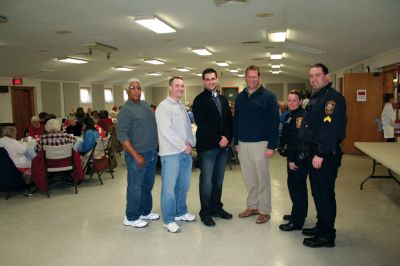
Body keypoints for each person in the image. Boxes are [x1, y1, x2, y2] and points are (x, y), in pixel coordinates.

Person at [299, 63, 346, 248]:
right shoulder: (317, 97)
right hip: (315, 153)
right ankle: (321, 227)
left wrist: (320, 153)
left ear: (327, 76)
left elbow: (329, 130)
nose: (314, 79)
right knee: (318, 194)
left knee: (324, 195)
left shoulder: (331, 100)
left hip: (323, 155)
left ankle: (327, 236)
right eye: (311, 76)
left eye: (317, 75)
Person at [234, 65, 280, 224]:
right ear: (245, 78)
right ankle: (253, 206)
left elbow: (275, 122)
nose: (252, 79)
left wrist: (271, 145)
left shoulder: (268, 96)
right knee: (249, 177)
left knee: (262, 178)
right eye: (249, 76)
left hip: (261, 143)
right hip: (243, 144)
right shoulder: (240, 97)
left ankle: (265, 210)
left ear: (259, 78)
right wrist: (236, 141)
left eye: (255, 77)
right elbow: (237, 120)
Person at [192, 68, 233, 227]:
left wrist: (227, 138)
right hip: (208, 147)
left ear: (217, 80)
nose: (210, 81)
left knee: (219, 181)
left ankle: (217, 207)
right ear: (203, 81)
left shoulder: (222, 99)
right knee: (207, 182)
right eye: (207, 79)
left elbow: (229, 120)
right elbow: (202, 124)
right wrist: (218, 139)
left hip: (222, 148)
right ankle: (205, 212)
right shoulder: (199, 100)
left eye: (213, 79)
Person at [117, 78, 159, 229]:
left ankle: (144, 211)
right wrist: (136, 155)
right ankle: (131, 217)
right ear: (127, 91)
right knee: (135, 186)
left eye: (138, 88)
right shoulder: (125, 110)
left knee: (147, 185)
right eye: (132, 88)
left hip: (151, 153)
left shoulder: (145, 105)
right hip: (137, 156)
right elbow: (122, 136)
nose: (136, 90)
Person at [155, 76, 196, 233]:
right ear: (170, 87)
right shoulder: (163, 107)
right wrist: (183, 146)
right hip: (171, 154)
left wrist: (191, 142)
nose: (180, 88)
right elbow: (166, 132)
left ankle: (181, 212)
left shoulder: (180, 106)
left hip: (185, 152)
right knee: (169, 189)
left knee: (183, 186)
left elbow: (188, 127)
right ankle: (168, 219)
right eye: (177, 86)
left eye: (182, 86)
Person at [278, 90, 308, 232]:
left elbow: (298, 142)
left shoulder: (299, 117)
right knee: (295, 187)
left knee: (297, 188)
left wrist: (292, 160)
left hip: (297, 159)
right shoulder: (291, 115)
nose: (291, 103)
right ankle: (298, 214)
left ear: (301, 101)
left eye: (295, 100)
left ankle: (297, 221)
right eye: (289, 100)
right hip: (294, 156)